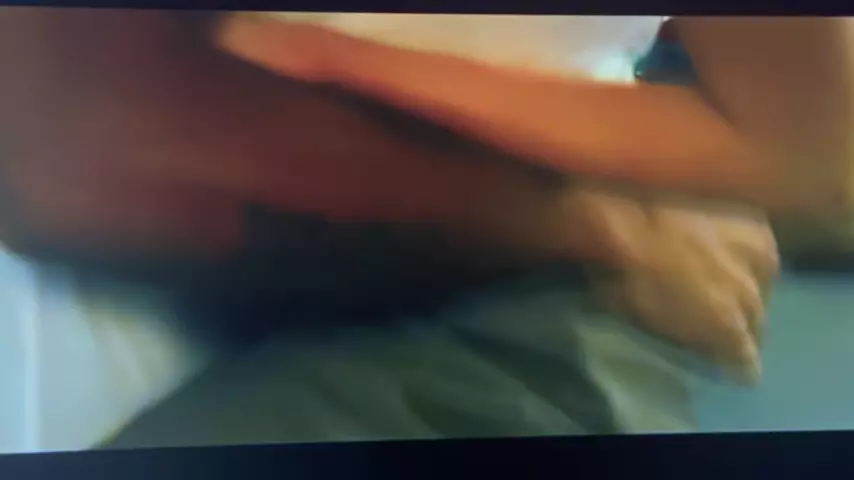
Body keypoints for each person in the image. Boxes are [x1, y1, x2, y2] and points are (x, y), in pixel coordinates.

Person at [0, 9, 777, 448]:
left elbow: (801, 146)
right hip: (553, 223)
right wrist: (590, 216)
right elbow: (77, 148)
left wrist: (606, 210)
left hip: (518, 304)